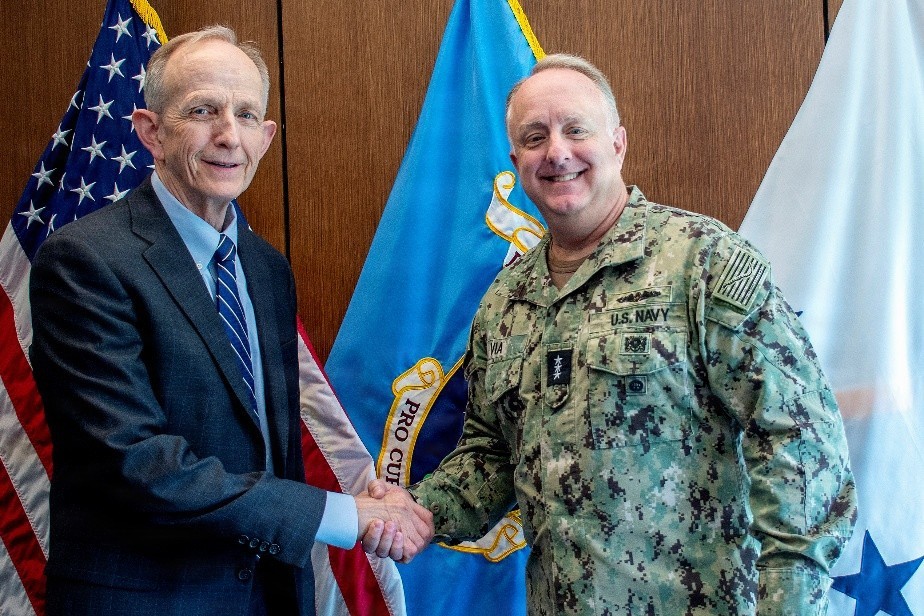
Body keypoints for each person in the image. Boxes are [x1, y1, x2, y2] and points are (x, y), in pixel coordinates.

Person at [369, 54, 857, 615]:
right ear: (516, 160)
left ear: (618, 143)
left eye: (576, 129)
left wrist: (792, 605)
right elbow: (492, 453)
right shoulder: (504, 304)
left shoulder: (701, 262)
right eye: (535, 137)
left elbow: (799, 440)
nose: (557, 151)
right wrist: (422, 511)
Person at [30, 26, 431, 616]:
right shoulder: (84, 261)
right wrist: (344, 514)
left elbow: (271, 452)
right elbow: (136, 461)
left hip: (267, 597)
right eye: (202, 111)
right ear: (150, 132)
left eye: (247, 114)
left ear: (267, 137)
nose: (228, 135)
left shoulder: (267, 270)